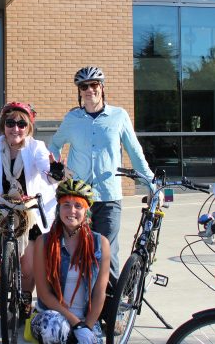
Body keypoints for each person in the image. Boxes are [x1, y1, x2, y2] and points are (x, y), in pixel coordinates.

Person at [49, 66, 154, 280]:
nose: (89, 90)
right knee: (74, 249)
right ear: (79, 91)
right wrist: (60, 169)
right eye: (84, 86)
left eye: (94, 85)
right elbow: (53, 146)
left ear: (102, 87)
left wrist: (152, 183)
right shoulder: (72, 119)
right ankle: (77, 299)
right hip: (78, 197)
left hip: (108, 196)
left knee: (106, 251)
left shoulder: (119, 116)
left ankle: (111, 304)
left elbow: (135, 152)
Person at [0, 101, 57, 322]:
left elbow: (47, 170)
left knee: (28, 264)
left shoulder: (36, 147)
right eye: (10, 123)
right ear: (3, 125)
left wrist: (55, 170)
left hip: (31, 212)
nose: (16, 128)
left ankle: (25, 299)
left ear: (28, 127)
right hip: (3, 209)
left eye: (22, 123)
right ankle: (5, 289)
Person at [31, 179, 110, 344]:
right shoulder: (43, 242)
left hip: (87, 321)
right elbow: (44, 294)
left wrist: (86, 326)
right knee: (54, 328)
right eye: (66, 204)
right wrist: (76, 323)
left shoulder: (100, 243)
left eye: (78, 206)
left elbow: (99, 294)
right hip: (52, 316)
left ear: (86, 210)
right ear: (59, 208)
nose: (71, 210)